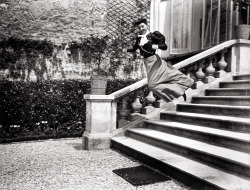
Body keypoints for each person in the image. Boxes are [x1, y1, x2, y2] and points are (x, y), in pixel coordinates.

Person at [127, 18, 194, 102]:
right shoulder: (139, 38)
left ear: (146, 25)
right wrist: (125, 49)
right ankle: (179, 91)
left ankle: (180, 90)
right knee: (158, 82)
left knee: (153, 85)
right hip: (147, 63)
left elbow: (164, 46)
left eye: (142, 26)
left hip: (154, 61)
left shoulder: (153, 36)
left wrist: (155, 46)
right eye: (139, 28)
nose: (141, 29)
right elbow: (134, 48)